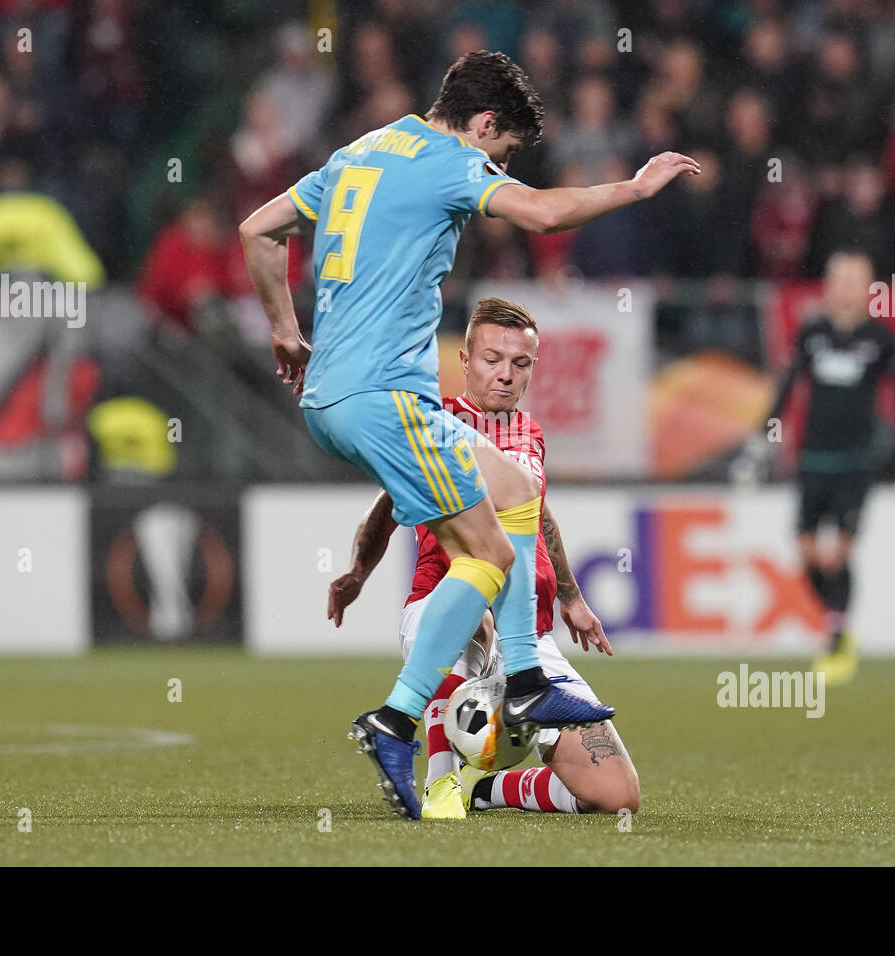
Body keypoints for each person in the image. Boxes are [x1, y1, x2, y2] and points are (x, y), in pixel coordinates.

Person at [239, 50, 698, 819]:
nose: (499, 166)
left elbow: (258, 230)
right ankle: (396, 719)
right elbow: (546, 214)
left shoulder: (360, 152)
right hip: (386, 396)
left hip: (336, 397)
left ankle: (523, 680)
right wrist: (636, 186)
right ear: (485, 124)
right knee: (487, 554)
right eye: (505, 152)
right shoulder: (451, 159)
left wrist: (285, 329)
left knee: (513, 489)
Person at [328, 298, 639, 819]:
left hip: (530, 640)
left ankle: (480, 790)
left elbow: (538, 516)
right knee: (477, 619)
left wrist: (571, 596)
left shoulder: (530, 435)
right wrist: (359, 571)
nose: (505, 375)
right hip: (444, 610)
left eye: (520, 364)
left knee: (616, 795)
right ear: (466, 360)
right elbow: (386, 506)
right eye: (492, 359)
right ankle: (437, 782)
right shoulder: (433, 422)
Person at [733, 250, 895, 684]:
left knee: (839, 551)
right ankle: (837, 625)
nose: (845, 289)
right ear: (827, 286)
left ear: (868, 290)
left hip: (857, 461)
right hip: (813, 459)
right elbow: (784, 393)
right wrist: (760, 445)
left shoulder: (882, 340)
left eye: (854, 281)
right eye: (838, 279)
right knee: (807, 552)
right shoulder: (812, 334)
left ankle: (837, 639)